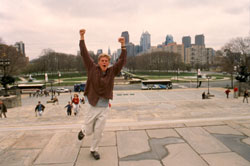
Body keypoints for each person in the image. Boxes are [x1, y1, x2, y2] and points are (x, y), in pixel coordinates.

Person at [77, 29, 126, 160]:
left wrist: (123, 46)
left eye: (106, 61)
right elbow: (84, 54)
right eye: (102, 60)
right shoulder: (92, 68)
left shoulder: (112, 71)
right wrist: (82, 37)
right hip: (92, 105)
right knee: (89, 131)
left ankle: (94, 149)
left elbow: (121, 61)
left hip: (104, 107)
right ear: (99, 62)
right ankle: (83, 130)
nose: (104, 62)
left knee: (99, 132)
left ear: (108, 63)